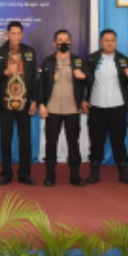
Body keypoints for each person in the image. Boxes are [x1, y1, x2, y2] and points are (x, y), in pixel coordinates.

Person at [82, 29, 128, 185]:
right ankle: (94, 173)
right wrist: (82, 100)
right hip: (96, 106)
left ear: (116, 42)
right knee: (96, 141)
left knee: (119, 140)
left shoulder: (124, 60)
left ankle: (123, 173)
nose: (110, 43)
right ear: (101, 42)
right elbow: (83, 83)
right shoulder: (91, 59)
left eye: (112, 40)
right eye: (106, 40)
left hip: (117, 106)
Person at [37, 29, 87, 187]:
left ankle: (75, 174)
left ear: (71, 42)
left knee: (73, 142)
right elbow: (41, 85)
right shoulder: (48, 62)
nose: (63, 43)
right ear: (55, 43)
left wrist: (84, 77)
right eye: (60, 40)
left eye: (66, 40)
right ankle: (50, 174)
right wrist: (41, 104)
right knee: (51, 142)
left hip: (72, 109)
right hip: (52, 108)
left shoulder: (79, 61)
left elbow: (90, 82)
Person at [0, 21, 38, 186]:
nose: (16, 37)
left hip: (24, 101)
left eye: (19, 34)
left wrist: (35, 100)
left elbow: (34, 77)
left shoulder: (29, 52)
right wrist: (5, 72)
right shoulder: (0, 52)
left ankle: (25, 173)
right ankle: (6, 173)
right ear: (8, 34)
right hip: (6, 102)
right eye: (13, 33)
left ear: (22, 35)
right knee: (6, 138)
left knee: (25, 139)